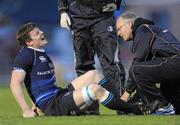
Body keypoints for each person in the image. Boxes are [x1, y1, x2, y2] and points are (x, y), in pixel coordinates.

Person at [10, 22, 158, 118]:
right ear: (29, 42)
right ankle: (137, 109)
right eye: (37, 33)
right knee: (95, 90)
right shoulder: (26, 55)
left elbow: (37, 83)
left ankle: (123, 104)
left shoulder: (39, 52)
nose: (42, 32)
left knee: (93, 74)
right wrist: (26, 110)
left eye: (39, 29)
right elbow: (15, 83)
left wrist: (36, 104)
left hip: (57, 96)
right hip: (53, 106)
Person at [58, 0, 126, 114]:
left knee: (111, 63)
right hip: (78, 18)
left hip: (104, 16)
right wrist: (63, 10)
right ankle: (90, 107)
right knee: (83, 64)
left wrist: (116, 3)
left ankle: (122, 105)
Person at [116, 11, 180, 115]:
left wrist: (126, 94)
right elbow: (144, 75)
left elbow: (138, 64)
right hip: (174, 65)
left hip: (175, 62)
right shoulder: (148, 30)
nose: (118, 33)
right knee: (173, 103)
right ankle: (166, 108)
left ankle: (162, 107)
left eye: (119, 28)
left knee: (136, 69)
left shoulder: (142, 30)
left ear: (129, 24)